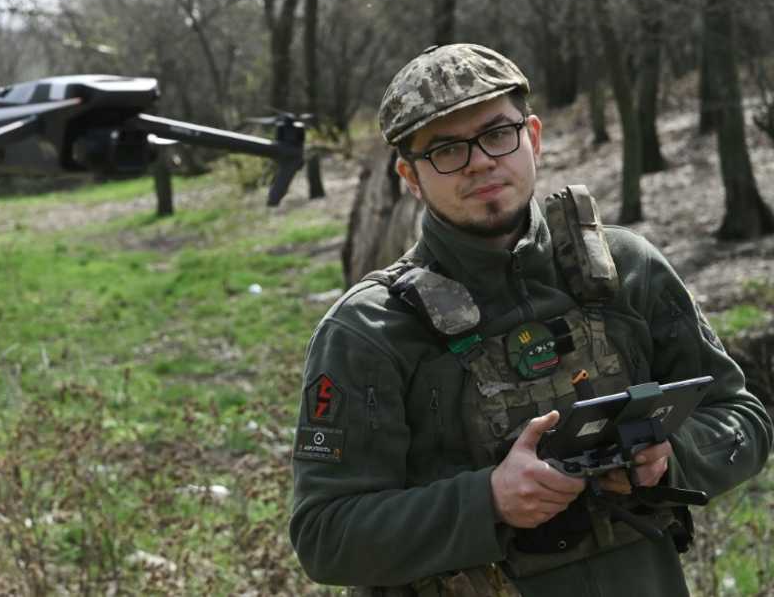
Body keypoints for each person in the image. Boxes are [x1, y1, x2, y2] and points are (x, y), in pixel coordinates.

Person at [289, 44, 772, 596]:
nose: (479, 161)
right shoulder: (369, 331)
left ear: (533, 138)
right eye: (446, 149)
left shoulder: (630, 271)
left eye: (498, 134)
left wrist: (672, 457)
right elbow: (325, 536)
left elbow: (744, 420)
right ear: (410, 177)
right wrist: (489, 500)